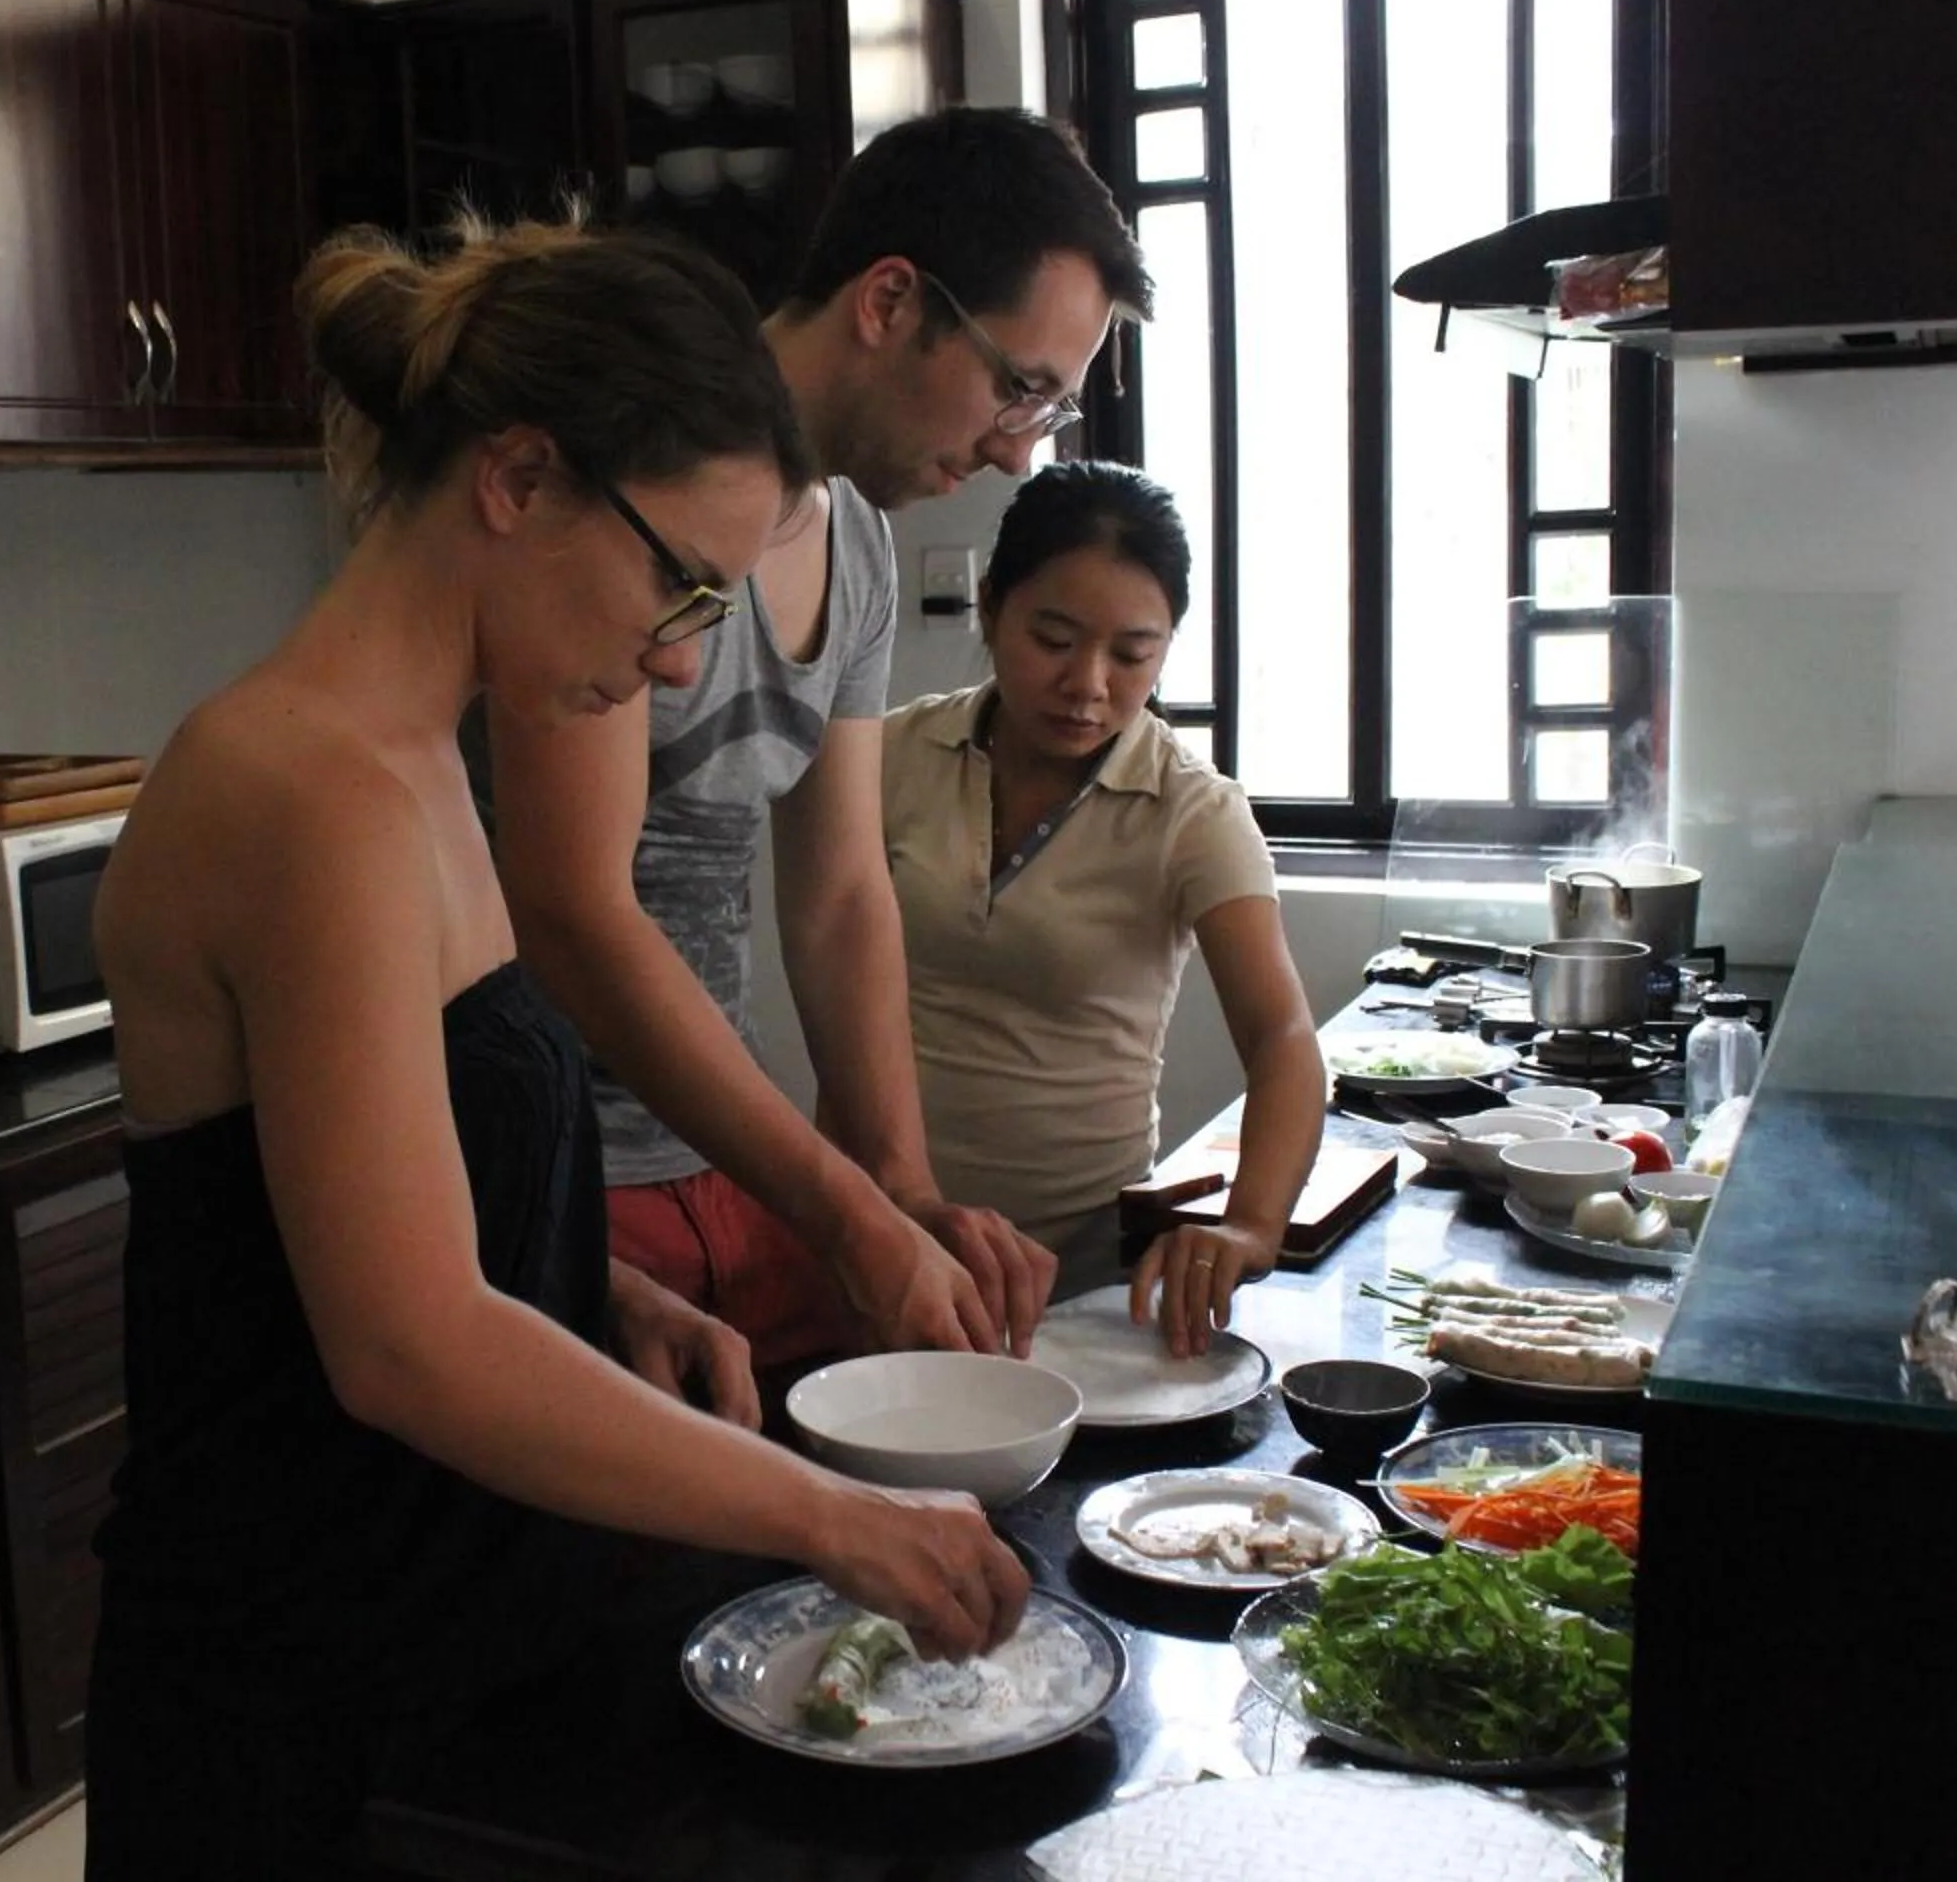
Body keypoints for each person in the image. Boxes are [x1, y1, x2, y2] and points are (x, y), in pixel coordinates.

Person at [82, 212, 1029, 1878]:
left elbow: (366, 1191)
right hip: (296, 1681)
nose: (677, 656)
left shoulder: (421, 767)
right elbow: (405, 1345)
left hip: (447, 1632)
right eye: (678, 584)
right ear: (518, 481)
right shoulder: (304, 792)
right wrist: (831, 1515)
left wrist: (589, 1282)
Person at [479, 108, 1151, 1378]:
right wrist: (838, 1204)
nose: (1018, 449)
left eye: (1049, 408)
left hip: (712, 1156)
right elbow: (573, 907)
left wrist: (894, 1181)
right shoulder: (641, 490)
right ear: (891, 301)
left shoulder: (855, 540)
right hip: (547, 1176)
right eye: (1019, 387)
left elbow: (840, 893)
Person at [882, 462, 1326, 1356]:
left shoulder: (1192, 808)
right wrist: (876, 1210)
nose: (1088, 684)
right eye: (1053, 638)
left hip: (1077, 1277)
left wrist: (1250, 1225)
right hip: (883, 1238)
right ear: (989, 606)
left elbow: (1283, 1042)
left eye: (1132, 654)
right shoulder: (893, 752)